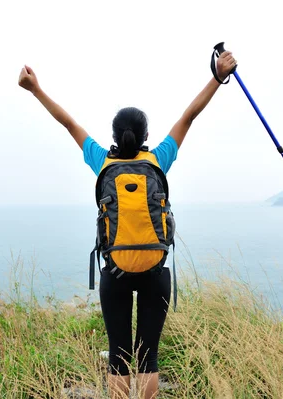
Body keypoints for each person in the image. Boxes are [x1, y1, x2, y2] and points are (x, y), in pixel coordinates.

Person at [18, 49, 237, 399]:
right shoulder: (158, 160)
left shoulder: (103, 162)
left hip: (115, 272)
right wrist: (218, 76)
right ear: (145, 133)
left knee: (119, 356)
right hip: (155, 271)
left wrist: (35, 89)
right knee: (147, 355)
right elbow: (189, 116)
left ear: (116, 136)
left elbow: (69, 124)